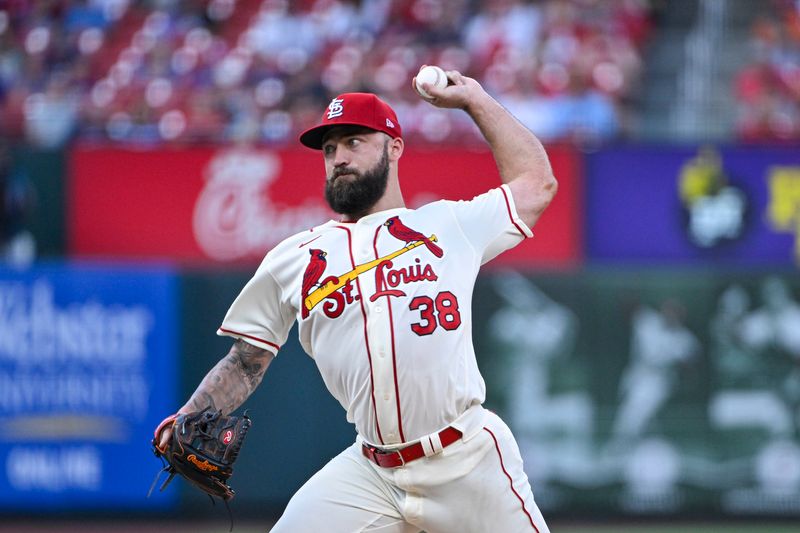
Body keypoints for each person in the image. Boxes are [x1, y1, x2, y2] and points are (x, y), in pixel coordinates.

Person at [155, 68, 557, 532]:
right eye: (329, 149)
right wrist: (189, 417)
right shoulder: (294, 258)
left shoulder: (448, 226)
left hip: (466, 457)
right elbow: (246, 361)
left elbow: (537, 184)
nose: (338, 157)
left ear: (394, 147)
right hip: (371, 473)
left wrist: (475, 101)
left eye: (354, 142)